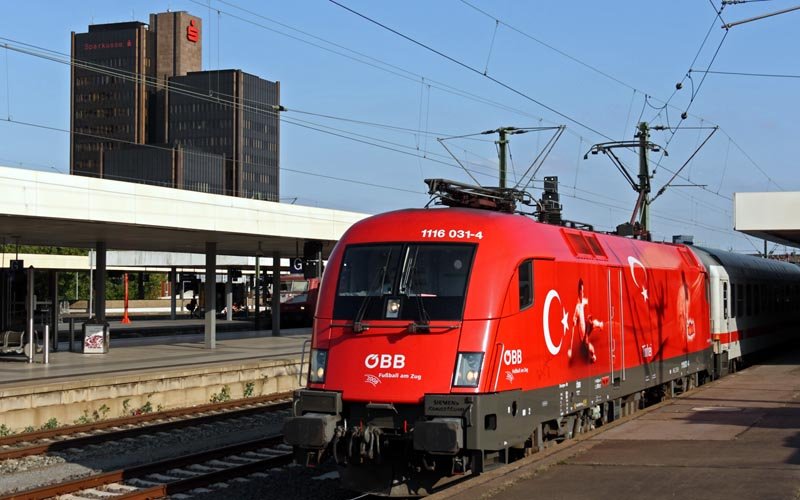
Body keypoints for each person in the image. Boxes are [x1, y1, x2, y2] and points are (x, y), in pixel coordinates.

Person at [568, 279, 603, 363]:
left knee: (594, 322)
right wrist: (574, 319)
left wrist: (589, 316)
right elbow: (574, 320)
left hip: (587, 324)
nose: (582, 293)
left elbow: (588, 308)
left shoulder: (584, 301)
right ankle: (592, 355)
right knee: (587, 344)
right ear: (579, 292)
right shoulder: (577, 307)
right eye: (581, 291)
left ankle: (600, 325)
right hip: (583, 331)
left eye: (583, 291)